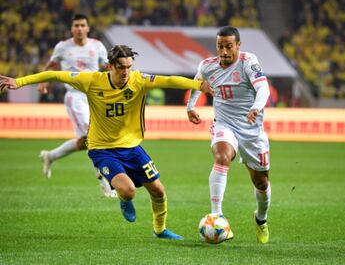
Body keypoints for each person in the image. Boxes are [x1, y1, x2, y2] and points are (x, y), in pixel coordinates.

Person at [0, 44, 214, 240]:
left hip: (132, 147)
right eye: (121, 67)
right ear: (110, 65)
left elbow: (169, 81)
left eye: (129, 67)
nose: (126, 72)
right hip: (102, 150)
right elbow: (55, 74)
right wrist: (19, 82)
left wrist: (198, 84)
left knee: (158, 190)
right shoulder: (92, 80)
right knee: (128, 190)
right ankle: (124, 199)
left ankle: (160, 230)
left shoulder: (138, 80)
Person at [186, 26, 271, 243]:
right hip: (224, 124)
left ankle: (261, 219)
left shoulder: (248, 61)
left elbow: (264, 89)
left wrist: (256, 107)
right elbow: (198, 84)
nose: (224, 52)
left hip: (252, 131)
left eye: (229, 46)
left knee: (261, 183)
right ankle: (217, 215)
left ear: (238, 45)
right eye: (220, 46)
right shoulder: (207, 65)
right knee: (222, 157)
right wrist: (190, 107)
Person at [37, 13, 115, 197]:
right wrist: (43, 81)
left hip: (95, 96)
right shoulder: (63, 47)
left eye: (82, 25)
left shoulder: (97, 46)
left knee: (84, 142)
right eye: (76, 25)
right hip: (75, 97)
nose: (79, 28)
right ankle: (106, 183)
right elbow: (52, 64)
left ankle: (51, 156)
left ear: (88, 28)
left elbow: (107, 67)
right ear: (72, 29)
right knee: (94, 136)